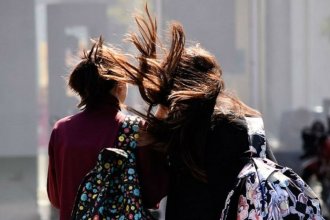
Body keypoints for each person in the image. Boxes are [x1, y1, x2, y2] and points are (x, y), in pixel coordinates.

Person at [99, 7, 277, 220]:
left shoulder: (173, 131)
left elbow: (150, 176)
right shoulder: (245, 128)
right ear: (216, 81)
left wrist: (164, 104)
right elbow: (272, 179)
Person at [47, 37, 167, 220]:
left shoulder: (61, 130)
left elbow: (56, 198)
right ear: (119, 85)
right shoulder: (135, 129)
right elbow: (152, 194)